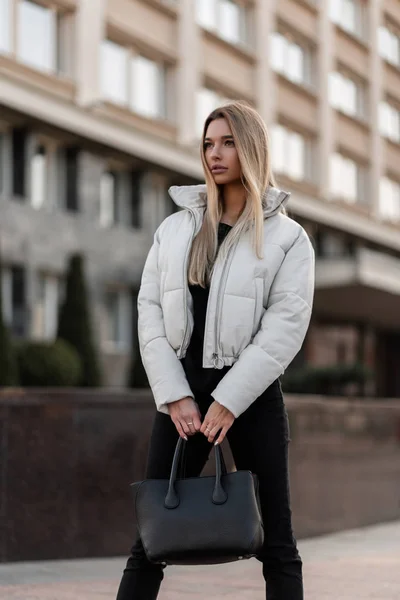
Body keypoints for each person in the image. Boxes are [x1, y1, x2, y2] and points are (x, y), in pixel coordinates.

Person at [116, 101, 315, 600]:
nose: (215, 154)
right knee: (150, 536)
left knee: (279, 543)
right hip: (183, 396)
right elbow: (150, 314)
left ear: (250, 148)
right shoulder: (176, 228)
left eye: (227, 142)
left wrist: (229, 399)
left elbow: (284, 328)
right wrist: (174, 394)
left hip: (250, 398)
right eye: (208, 143)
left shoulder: (288, 239)